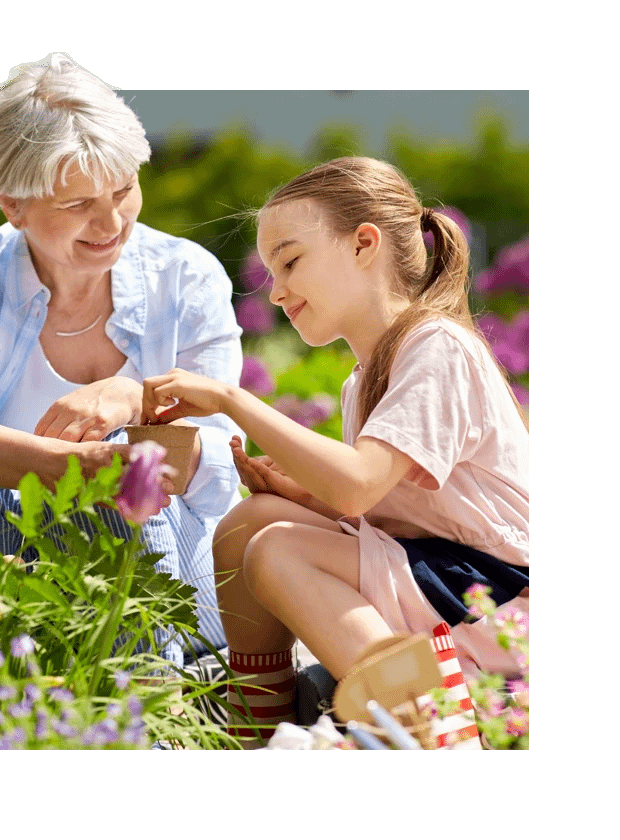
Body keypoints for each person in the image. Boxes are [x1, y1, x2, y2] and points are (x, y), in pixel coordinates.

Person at [0, 56, 245, 669]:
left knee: (119, 508)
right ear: (13, 204)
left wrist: (134, 398)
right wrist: (76, 468)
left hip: (167, 570)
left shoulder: (186, 278)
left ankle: (146, 703)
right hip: (5, 573)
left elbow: (217, 459)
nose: (112, 221)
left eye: (124, 190)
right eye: (78, 204)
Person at [141, 156, 529, 746]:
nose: (276, 293)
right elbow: (386, 510)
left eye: (291, 262)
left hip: (499, 601)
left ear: (363, 244)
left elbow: (358, 485)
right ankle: (258, 723)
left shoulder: (438, 347)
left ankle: (434, 723)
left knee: (278, 550)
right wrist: (296, 491)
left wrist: (231, 400)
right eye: (272, 273)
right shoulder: (363, 378)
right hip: (445, 578)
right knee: (250, 523)